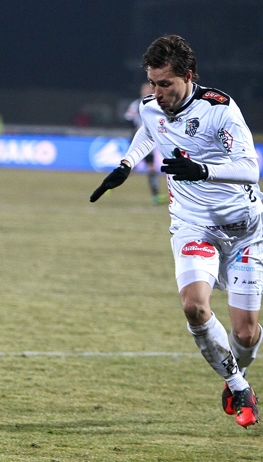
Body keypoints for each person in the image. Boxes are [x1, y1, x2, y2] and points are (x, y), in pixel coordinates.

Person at [90, 34, 262, 428]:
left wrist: (203, 170)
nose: (157, 92)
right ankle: (237, 385)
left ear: (188, 76)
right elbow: (149, 131)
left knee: (246, 334)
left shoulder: (220, 111)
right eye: (152, 82)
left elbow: (251, 169)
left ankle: (239, 371)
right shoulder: (150, 107)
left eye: (165, 83)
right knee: (194, 306)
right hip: (192, 223)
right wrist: (126, 164)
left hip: (244, 229)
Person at [124, 82, 167, 205]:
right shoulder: (137, 104)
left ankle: (155, 195)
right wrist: (136, 129)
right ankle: (109, 185)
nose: (147, 90)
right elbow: (128, 118)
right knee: (137, 166)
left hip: (150, 138)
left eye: (149, 88)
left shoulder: (158, 103)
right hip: (140, 138)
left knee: (146, 167)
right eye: (145, 89)